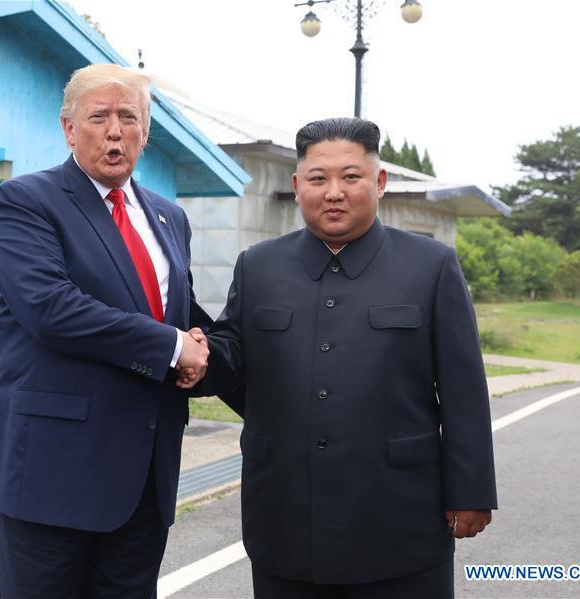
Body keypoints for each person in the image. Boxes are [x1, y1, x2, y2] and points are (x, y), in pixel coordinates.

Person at [181, 117, 497, 598]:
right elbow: (232, 358)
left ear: (380, 182)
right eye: (317, 178)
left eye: (351, 177)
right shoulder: (259, 265)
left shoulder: (430, 266)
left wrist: (471, 491)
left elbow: (463, 388)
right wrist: (192, 355)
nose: (333, 191)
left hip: (400, 520)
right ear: (297, 185)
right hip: (285, 517)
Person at [0, 63, 210, 598]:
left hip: (145, 473)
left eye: (130, 116)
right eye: (99, 116)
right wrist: (172, 348)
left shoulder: (170, 216)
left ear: (146, 131)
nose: (115, 129)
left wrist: (207, 350)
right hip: (54, 471)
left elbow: (179, 313)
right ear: (69, 128)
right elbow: (51, 309)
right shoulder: (28, 201)